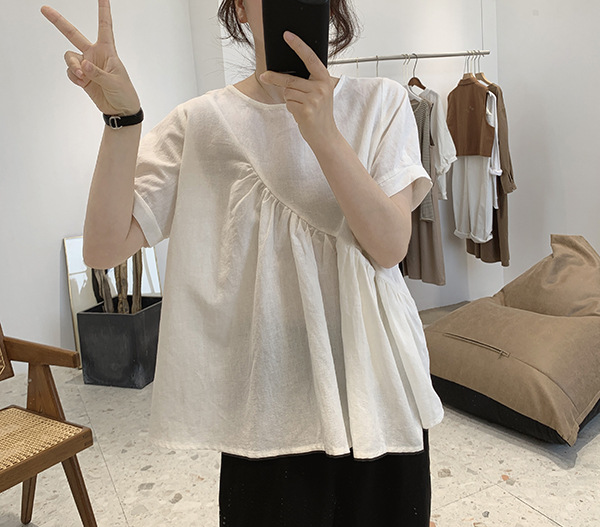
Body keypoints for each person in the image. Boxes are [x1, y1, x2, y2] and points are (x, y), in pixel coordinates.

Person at [42, 0, 444, 525]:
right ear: (238, 6)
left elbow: (389, 247)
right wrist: (121, 121)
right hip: (267, 394)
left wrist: (322, 132)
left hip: (378, 383)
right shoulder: (203, 122)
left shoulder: (382, 102)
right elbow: (103, 247)